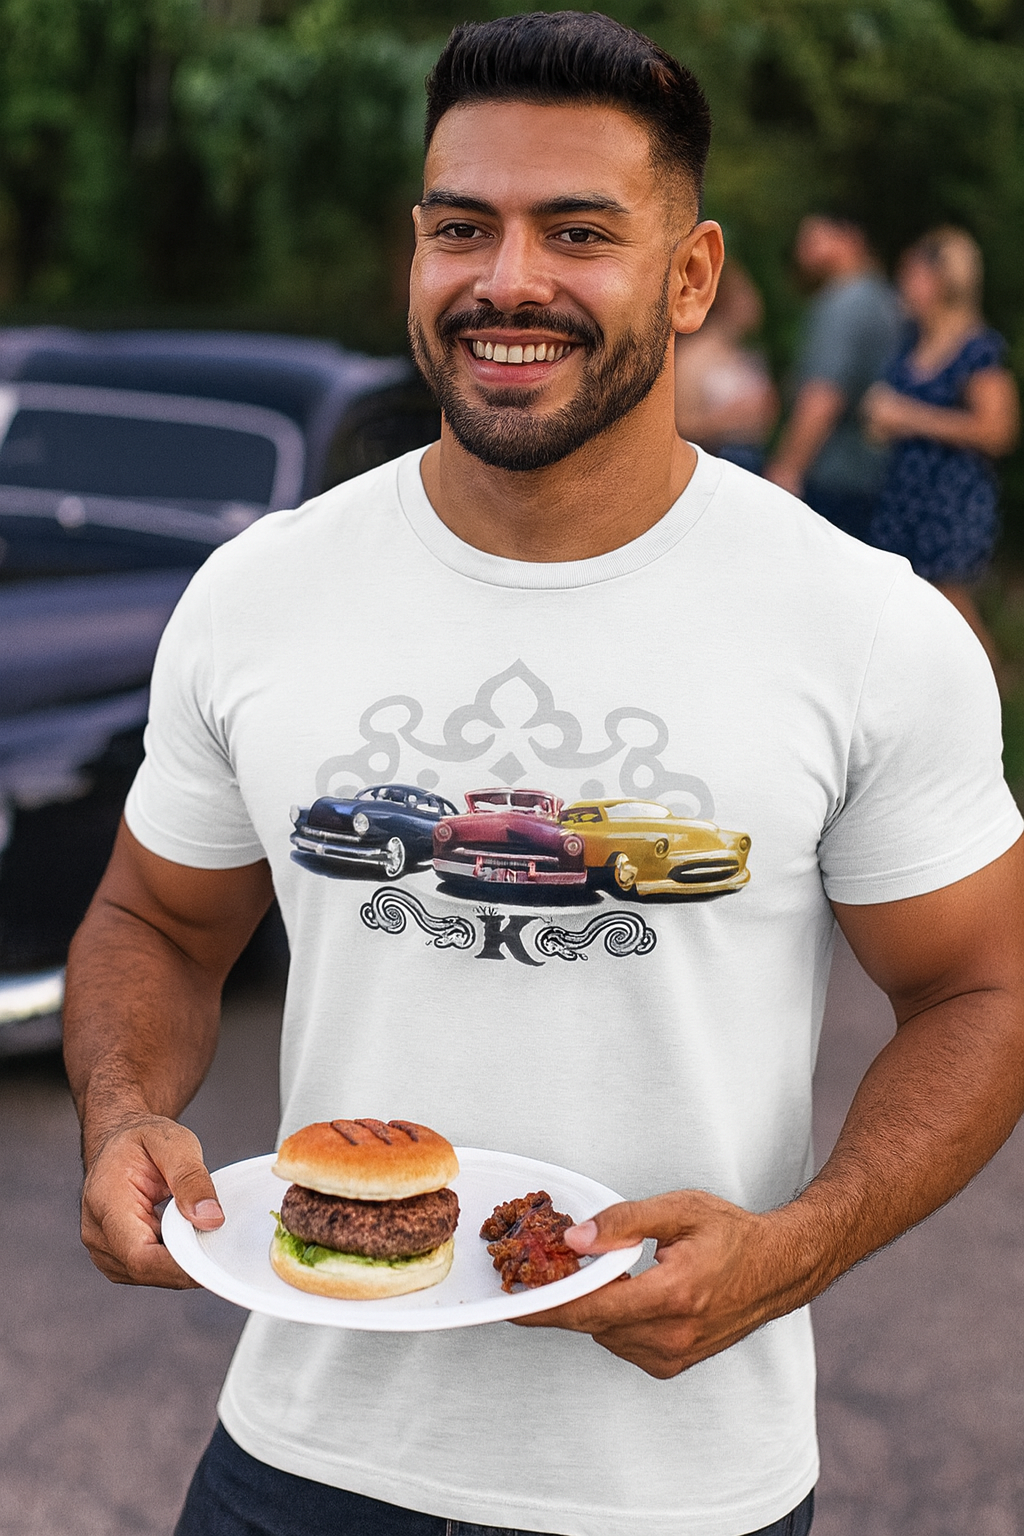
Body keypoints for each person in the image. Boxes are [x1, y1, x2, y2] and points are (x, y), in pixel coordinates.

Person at [64, 13, 1024, 1536]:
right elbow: (155, 924)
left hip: (683, 1487)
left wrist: (797, 1248)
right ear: (417, 254)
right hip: (301, 1461)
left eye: (577, 231)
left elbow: (983, 995)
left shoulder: (864, 625)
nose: (508, 280)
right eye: (463, 229)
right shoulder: (262, 591)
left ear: (691, 274)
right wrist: (124, 1112)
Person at [862, 226, 1019, 672]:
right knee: (912, 606)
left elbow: (998, 430)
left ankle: (997, 695)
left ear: (943, 279)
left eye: (913, 274)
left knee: (952, 603)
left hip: (951, 499)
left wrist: (906, 417)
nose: (904, 285)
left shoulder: (978, 349)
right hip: (907, 494)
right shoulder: (911, 341)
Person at [765, 214, 902, 538]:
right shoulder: (883, 297)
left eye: (813, 239)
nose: (803, 251)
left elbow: (823, 396)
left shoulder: (846, 301)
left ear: (850, 238)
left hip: (836, 475)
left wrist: (786, 469)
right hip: (873, 472)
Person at [674, 257, 778, 472]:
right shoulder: (692, 356)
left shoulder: (748, 353)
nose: (755, 301)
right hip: (714, 466)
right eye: (744, 294)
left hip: (754, 462)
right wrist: (725, 420)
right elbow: (677, 425)